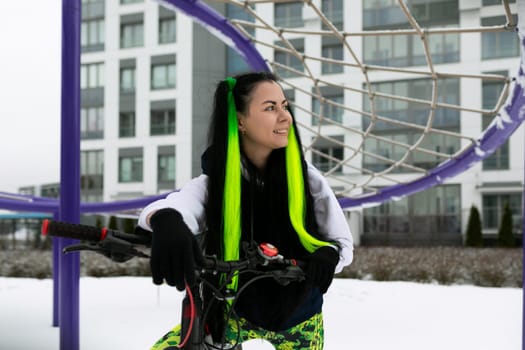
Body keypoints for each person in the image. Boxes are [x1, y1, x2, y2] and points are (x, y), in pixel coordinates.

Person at [138, 71, 353, 349]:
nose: (285, 116)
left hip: (300, 316)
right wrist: (167, 220)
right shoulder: (217, 182)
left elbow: (342, 243)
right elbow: (179, 205)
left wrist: (329, 254)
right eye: (270, 108)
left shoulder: (307, 179)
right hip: (230, 313)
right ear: (240, 121)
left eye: (284, 106)